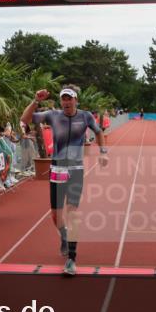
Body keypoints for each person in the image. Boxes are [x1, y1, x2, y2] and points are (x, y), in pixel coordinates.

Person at [21, 85, 107, 276]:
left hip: (76, 170)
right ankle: (64, 235)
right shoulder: (53, 115)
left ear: (76, 100)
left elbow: (99, 132)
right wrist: (36, 101)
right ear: (61, 101)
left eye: (70, 98)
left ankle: (71, 259)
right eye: (64, 99)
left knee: (73, 213)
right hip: (57, 169)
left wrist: (103, 152)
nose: (67, 102)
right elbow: (25, 120)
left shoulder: (85, 116)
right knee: (55, 216)